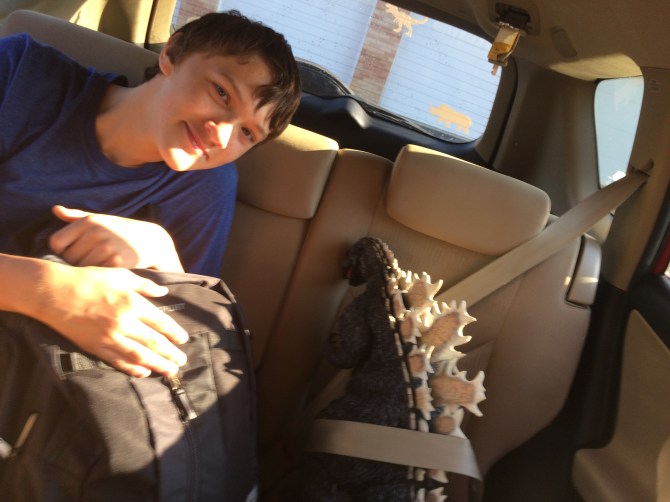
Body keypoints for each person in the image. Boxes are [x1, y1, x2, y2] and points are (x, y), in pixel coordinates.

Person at [0, 11, 301, 378]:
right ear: (172, 54)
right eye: (222, 93)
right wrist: (49, 292)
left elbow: (188, 343)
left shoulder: (207, 186)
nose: (221, 136)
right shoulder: (21, 73)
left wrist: (165, 260)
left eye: (248, 133)